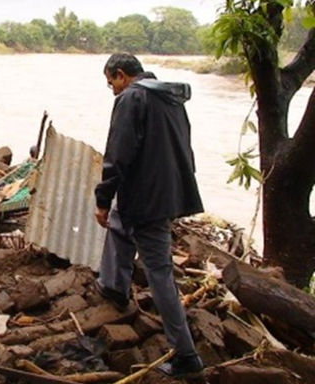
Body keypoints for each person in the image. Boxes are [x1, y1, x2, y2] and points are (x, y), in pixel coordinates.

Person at [94, 53, 204, 378]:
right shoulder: (169, 97)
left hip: (149, 198)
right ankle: (114, 285)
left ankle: (187, 355)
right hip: (169, 192)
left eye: (110, 82)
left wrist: (103, 198)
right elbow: (186, 146)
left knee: (159, 271)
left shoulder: (132, 98)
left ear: (121, 75)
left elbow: (118, 153)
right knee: (120, 223)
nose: (111, 90)